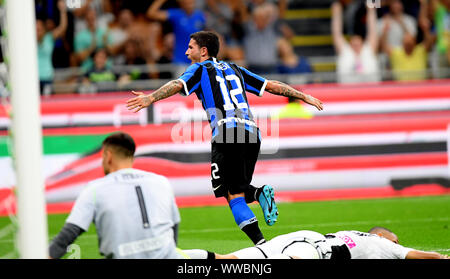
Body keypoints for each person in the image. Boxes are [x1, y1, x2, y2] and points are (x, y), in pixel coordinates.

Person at [126, 31, 323, 245]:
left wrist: (151, 97)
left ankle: (261, 244)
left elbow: (177, 84)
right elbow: (271, 85)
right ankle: (258, 194)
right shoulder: (235, 68)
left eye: (190, 47)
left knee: (232, 196)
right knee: (237, 187)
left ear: (203, 51)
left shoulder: (199, 69)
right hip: (252, 133)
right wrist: (303, 95)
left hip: (226, 132)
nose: (186, 51)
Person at [48, 132, 182, 259]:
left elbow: (66, 237)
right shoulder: (161, 181)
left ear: (108, 155)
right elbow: (174, 228)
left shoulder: (95, 189)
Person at [184, 226, 450, 259]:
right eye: (396, 237)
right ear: (382, 235)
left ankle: (175, 256)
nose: (398, 241)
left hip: (300, 238)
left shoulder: (355, 233)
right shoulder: (383, 244)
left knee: (227, 261)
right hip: (313, 248)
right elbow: (415, 255)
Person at [380, 1, 435, 82]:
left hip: (421, 87)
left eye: (398, 3)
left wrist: (426, 30)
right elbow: (369, 4)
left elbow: (429, 42)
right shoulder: (397, 53)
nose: (396, 6)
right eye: (394, 3)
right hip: (402, 89)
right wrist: (385, 31)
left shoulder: (419, 51)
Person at [332, 1, 381, 84]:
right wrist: (336, 14)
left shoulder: (368, 49)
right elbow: (337, 33)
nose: (356, 46)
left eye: (358, 44)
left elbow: (372, 31)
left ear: (362, 43)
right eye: (353, 45)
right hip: (347, 91)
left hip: (371, 90)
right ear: (350, 44)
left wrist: (371, 10)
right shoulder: (345, 51)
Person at [147, 0, 206, 66]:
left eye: (191, 2)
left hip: (197, 61)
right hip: (180, 61)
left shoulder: (200, 16)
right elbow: (151, 13)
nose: (189, 3)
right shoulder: (176, 14)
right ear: (181, 3)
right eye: (186, 2)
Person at [36, 0, 68, 95]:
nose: (37, 32)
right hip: (32, 79)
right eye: (36, 29)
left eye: (39, 29)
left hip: (47, 77)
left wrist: (63, 11)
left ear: (44, 29)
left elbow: (62, 27)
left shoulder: (49, 38)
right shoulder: (28, 41)